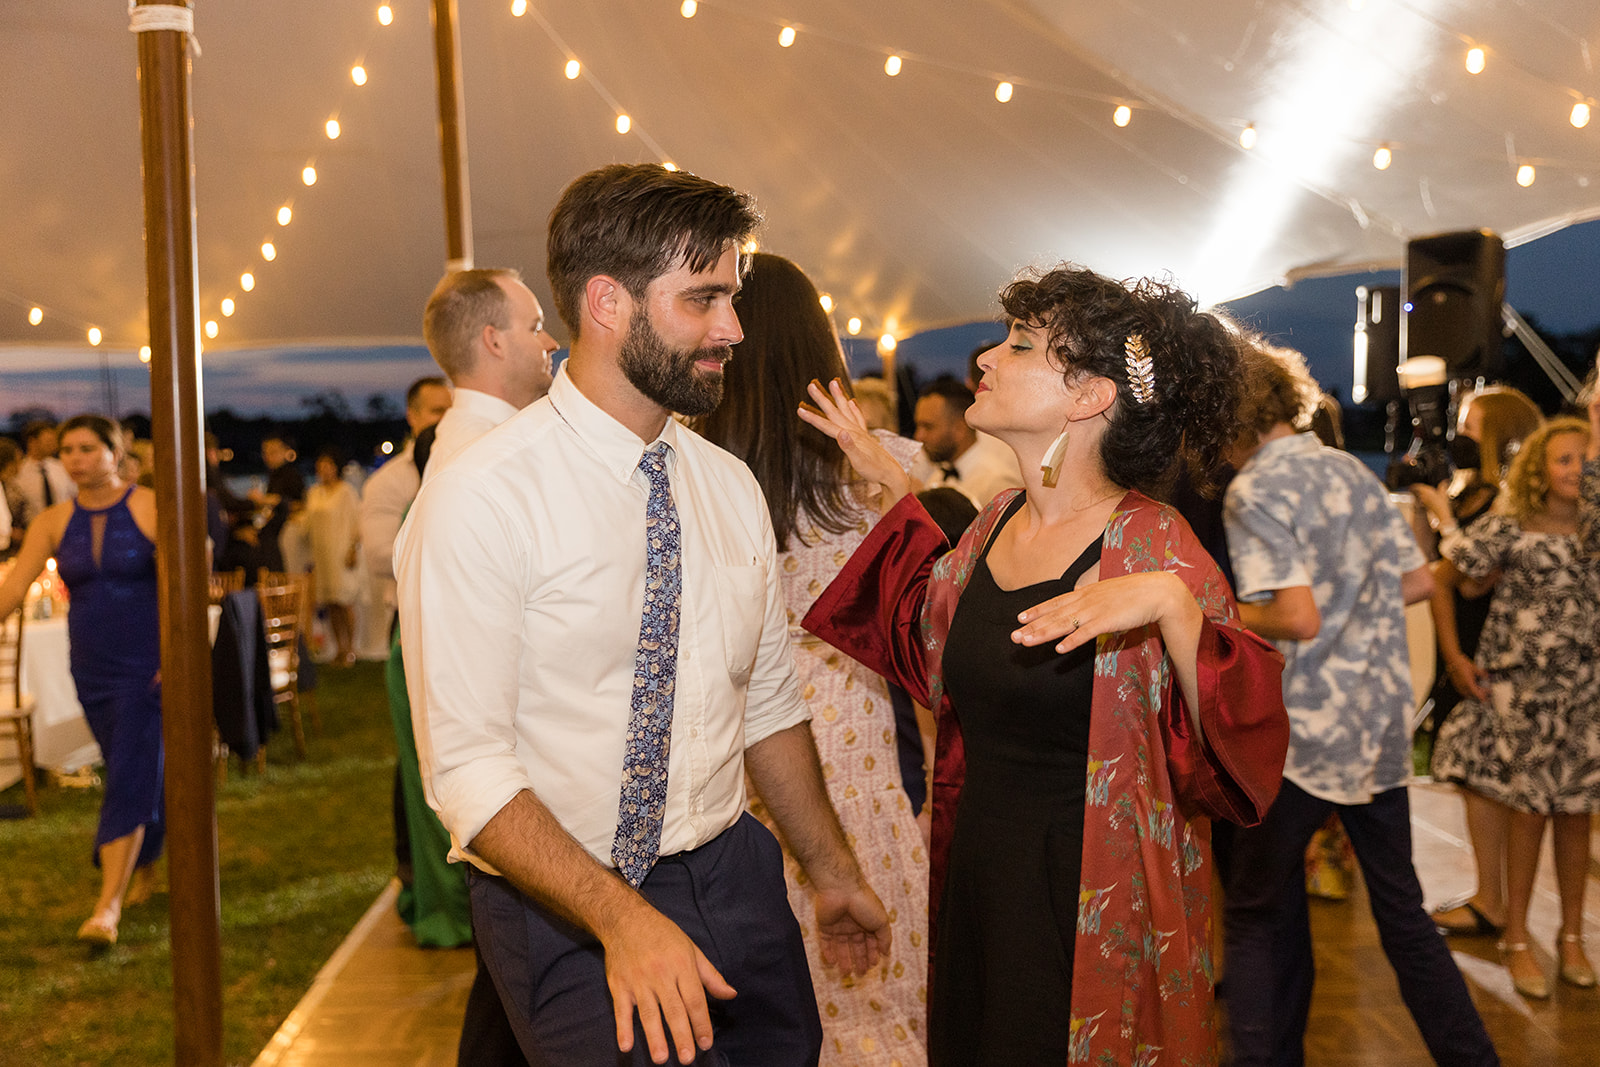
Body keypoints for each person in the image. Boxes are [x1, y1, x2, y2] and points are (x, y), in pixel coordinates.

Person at [397, 163, 891, 1067]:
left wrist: (831, 871)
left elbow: (768, 702)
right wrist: (623, 919)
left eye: (732, 299)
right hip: (565, 901)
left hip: (737, 872)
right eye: (703, 299)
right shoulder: (482, 496)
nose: (733, 328)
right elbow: (466, 768)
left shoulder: (726, 483)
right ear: (607, 303)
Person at [800, 264, 1290, 1065]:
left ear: (1090, 396)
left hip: (1089, 893)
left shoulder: (1157, 545)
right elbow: (934, 645)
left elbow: (1240, 749)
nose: (986, 359)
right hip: (976, 875)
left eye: (1019, 344)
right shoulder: (992, 523)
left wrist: (1172, 607)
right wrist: (895, 493)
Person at [1220, 343, 1498, 1066]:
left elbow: (1298, 616)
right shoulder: (1350, 469)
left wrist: (1213, 610)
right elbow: (1416, 584)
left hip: (1302, 736)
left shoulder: (1252, 490)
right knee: (1403, 917)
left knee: (1253, 912)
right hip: (1375, 727)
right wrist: (1351, 595)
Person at [695, 251, 929, 1066]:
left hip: (745, 774)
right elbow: (937, 615)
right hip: (862, 775)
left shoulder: (698, 477)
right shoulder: (885, 470)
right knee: (886, 1005)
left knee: (775, 1016)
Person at [386, 268, 558, 1064]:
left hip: (518, 785)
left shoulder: (490, 446)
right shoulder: (485, 463)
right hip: (517, 786)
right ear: (493, 340)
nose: (551, 338)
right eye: (534, 324)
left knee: (507, 1013)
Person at [1427, 411, 1600, 998]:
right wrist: (1455, 658)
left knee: (1577, 816)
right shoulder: (1511, 526)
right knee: (1527, 814)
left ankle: (1572, 937)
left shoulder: (1595, 531)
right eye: (1564, 458)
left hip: (1585, 692)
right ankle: (1516, 937)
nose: (1576, 469)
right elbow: (1445, 579)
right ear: (1539, 468)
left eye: (1585, 457)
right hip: (1522, 694)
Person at [0, 416, 162, 946]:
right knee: (125, 762)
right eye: (68, 450)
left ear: (116, 453)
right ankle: (147, 870)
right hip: (89, 662)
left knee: (129, 769)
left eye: (89, 448)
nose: (76, 458)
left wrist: (175, 655)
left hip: (147, 663)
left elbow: (185, 582)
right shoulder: (52, 519)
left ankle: (106, 907)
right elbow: (15, 587)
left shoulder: (149, 506)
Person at [358, 376, 452, 652]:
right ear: (412, 416)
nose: (446, 420)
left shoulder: (472, 465)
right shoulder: (388, 481)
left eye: (452, 412)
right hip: (413, 617)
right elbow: (379, 558)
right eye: (437, 411)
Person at [911, 376, 1023, 507]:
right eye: (918, 426)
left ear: (959, 428)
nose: (919, 436)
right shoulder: (937, 477)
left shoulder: (997, 483)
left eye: (928, 427)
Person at [304, 449, 362, 666]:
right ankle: (339, 647)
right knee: (330, 603)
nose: (323, 471)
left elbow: (357, 520)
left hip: (341, 551)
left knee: (344, 600)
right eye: (320, 467)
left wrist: (353, 549)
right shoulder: (314, 492)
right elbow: (307, 524)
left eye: (327, 466)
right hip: (322, 556)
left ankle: (351, 649)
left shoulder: (346, 492)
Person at [249, 435, 304, 573]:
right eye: (265, 452)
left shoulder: (292, 475)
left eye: (273, 452)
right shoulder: (273, 475)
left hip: (286, 535)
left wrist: (268, 500)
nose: (268, 456)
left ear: (285, 451)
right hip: (273, 532)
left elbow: (301, 504)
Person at [12, 419, 76, 528]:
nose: (54, 445)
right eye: (48, 441)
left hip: (65, 529)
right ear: (32, 442)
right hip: (33, 531)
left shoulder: (61, 468)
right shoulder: (17, 473)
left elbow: (74, 496)